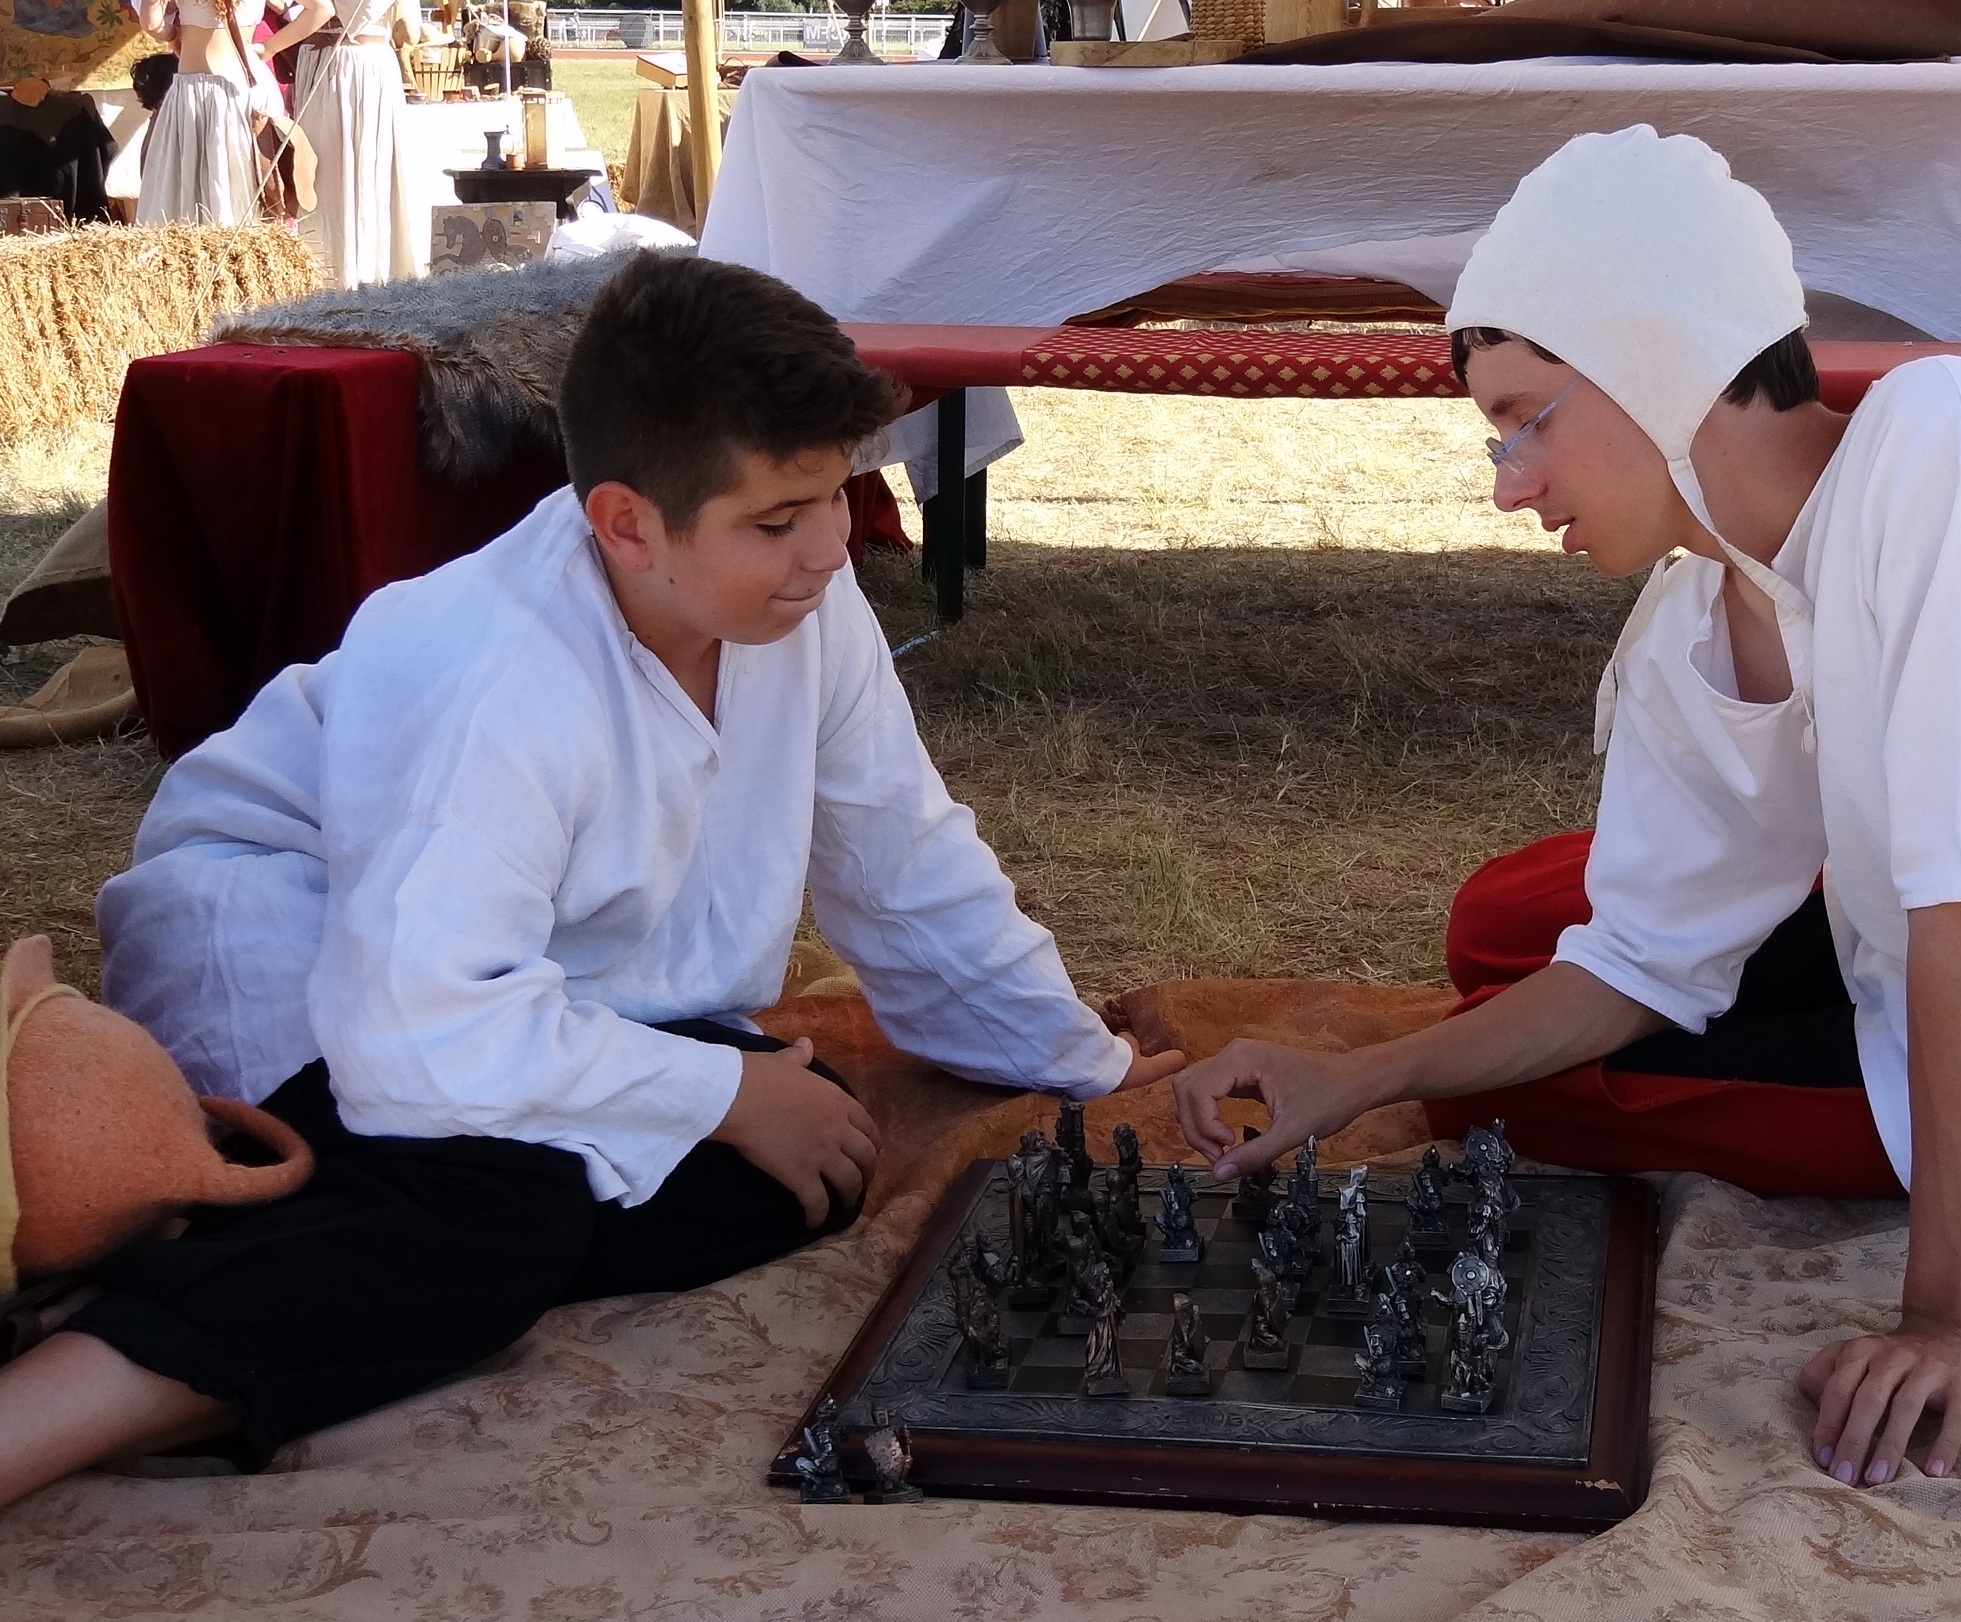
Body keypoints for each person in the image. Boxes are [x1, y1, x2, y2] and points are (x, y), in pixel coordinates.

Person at [1172, 128, 1961, 1494]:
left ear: (1654, 358)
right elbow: (1637, 955)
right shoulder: (1694, 617)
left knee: (1537, 1098)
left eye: (1526, 418)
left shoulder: (1946, 443)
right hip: (1934, 957)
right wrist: (1356, 1077)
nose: (1507, 480)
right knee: (1503, 922)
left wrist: (1947, 1320)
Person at [0, 252, 1184, 1511]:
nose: (829, 550)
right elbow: (415, 1032)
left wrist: (1080, 1059)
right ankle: (56, 1398)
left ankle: (283, 1265)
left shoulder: (805, 605)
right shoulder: (499, 677)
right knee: (499, 1216)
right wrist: (717, 1088)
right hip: (306, 968)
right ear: (624, 522)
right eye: (778, 521)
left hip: (529, 988)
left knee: (809, 1152)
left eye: (837, 496)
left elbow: (904, 855)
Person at [135, 0, 331, 226]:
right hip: (238, 87)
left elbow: (151, 23)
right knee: (236, 179)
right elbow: (322, 9)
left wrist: (174, 34)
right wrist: (269, 47)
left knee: (184, 183)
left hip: (189, 90)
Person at [293, 0, 422, 286]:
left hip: (351, 64)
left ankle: (356, 269)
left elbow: (354, 16)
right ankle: (337, 267)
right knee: (327, 170)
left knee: (345, 168)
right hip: (343, 61)